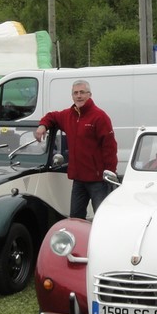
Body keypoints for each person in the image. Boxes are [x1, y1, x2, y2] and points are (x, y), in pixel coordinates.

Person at [34, 79, 117, 219]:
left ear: (89, 94)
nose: (79, 96)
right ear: (72, 96)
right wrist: (43, 125)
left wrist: (109, 176)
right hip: (78, 180)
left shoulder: (100, 117)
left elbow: (110, 148)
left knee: (102, 218)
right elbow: (52, 116)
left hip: (98, 181)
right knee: (75, 219)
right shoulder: (68, 115)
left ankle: (102, 241)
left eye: (82, 92)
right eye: (75, 93)